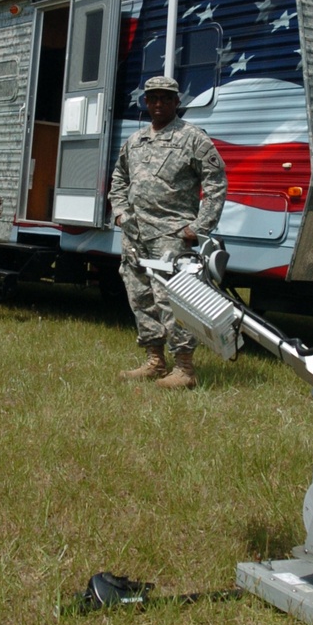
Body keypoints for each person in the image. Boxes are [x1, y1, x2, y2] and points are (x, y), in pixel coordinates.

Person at [109, 74, 228, 389]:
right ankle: (155, 361)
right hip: (136, 233)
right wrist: (121, 213)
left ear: (177, 102)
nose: (158, 104)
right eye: (153, 99)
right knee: (141, 296)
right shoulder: (135, 141)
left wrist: (199, 227)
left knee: (172, 298)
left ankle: (185, 369)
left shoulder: (193, 139)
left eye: (165, 98)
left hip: (172, 235)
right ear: (146, 102)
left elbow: (215, 182)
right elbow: (119, 177)